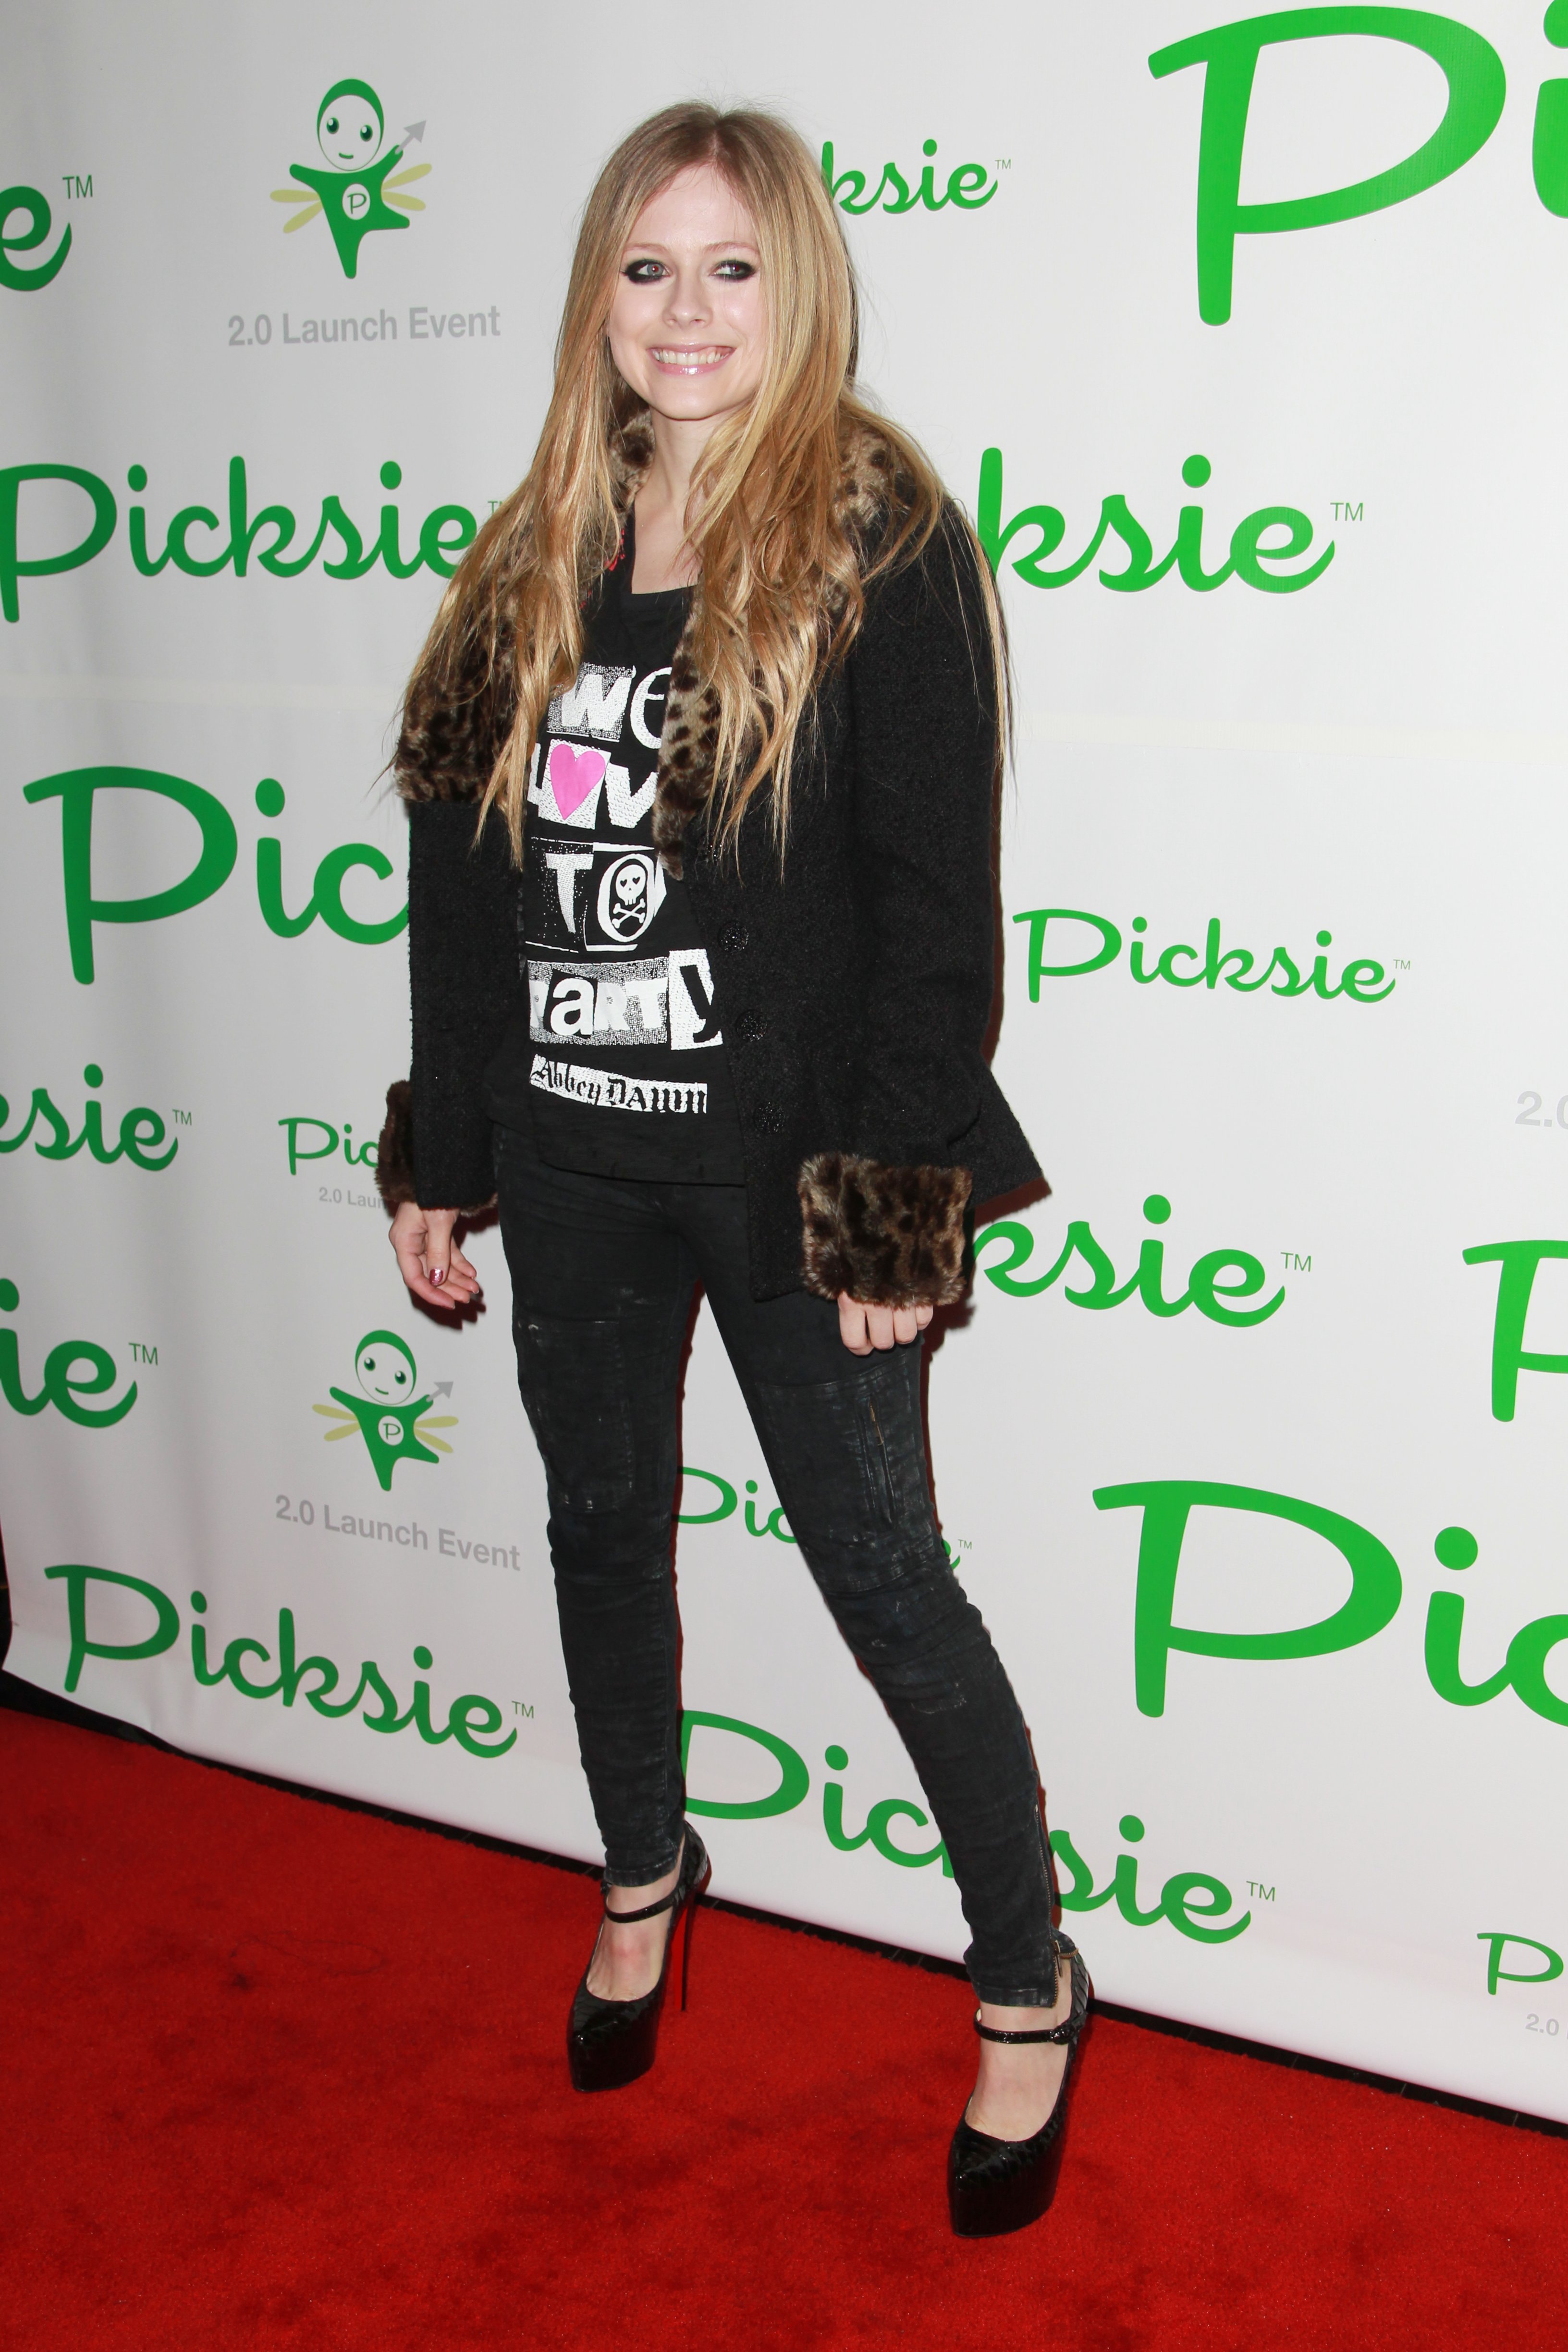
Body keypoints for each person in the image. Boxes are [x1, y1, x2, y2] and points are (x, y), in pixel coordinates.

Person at [376, 101, 1088, 2240]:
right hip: (576, 1166)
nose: (687, 313)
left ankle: (1029, 1980)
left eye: (733, 268)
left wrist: (892, 1208)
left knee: (887, 1584)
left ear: (799, 286)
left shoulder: (879, 536)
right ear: (597, 294)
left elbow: (935, 914)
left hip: (792, 1183)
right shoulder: (530, 548)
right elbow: (459, 889)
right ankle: (640, 1872)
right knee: (603, 1537)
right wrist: (443, 1147)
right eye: (648, 267)